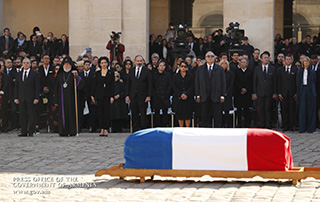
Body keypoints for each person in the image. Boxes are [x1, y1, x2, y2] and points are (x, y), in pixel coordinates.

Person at [54, 56, 84, 136]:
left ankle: (72, 131)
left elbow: (81, 86)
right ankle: (63, 131)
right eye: (65, 64)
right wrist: (56, 100)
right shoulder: (60, 75)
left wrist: (76, 77)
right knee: (62, 115)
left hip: (72, 99)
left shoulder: (74, 74)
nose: (66, 66)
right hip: (62, 99)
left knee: (72, 114)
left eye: (68, 64)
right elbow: (56, 88)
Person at [195, 51, 226, 127]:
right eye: (208, 56)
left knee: (217, 118)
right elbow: (197, 82)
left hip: (216, 96)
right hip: (204, 96)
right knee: (205, 118)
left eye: (212, 56)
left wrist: (222, 95)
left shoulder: (219, 69)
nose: (210, 58)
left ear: (215, 58)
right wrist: (197, 95)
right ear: (205, 58)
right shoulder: (200, 69)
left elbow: (223, 82)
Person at [125, 55, 152, 132]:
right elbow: (128, 84)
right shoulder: (131, 70)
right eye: (138, 61)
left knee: (143, 114)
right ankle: (135, 130)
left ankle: (143, 131)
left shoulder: (147, 71)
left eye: (140, 61)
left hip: (143, 96)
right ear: (135, 61)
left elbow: (150, 84)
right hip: (133, 96)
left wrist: (148, 95)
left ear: (143, 61)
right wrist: (127, 95)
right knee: (134, 114)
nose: (139, 62)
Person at [14, 58, 40, 136]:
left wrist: (36, 97)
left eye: (27, 63)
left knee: (31, 115)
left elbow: (37, 86)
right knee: (22, 115)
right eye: (24, 63)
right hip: (21, 97)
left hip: (31, 98)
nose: (26, 64)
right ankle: (23, 131)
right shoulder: (19, 74)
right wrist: (16, 97)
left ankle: (31, 131)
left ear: (30, 64)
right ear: (22, 64)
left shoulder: (34, 74)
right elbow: (16, 87)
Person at [91, 57, 115, 136]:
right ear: (100, 64)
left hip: (108, 95)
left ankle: (106, 129)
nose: (103, 64)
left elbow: (112, 85)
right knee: (100, 112)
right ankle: (101, 128)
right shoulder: (97, 73)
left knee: (107, 112)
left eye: (105, 62)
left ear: (107, 63)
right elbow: (94, 84)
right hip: (99, 95)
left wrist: (112, 96)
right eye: (102, 63)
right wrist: (93, 95)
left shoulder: (111, 73)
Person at [253, 51, 277, 129]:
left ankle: (268, 124)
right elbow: (255, 81)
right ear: (261, 59)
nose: (266, 59)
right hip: (260, 92)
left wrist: (274, 92)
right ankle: (262, 124)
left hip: (269, 92)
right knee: (261, 109)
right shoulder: (257, 69)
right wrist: (255, 92)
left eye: (267, 58)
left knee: (268, 109)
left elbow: (275, 81)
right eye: (265, 58)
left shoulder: (273, 69)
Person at [277, 54, 298, 131]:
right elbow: (278, 82)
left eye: (289, 59)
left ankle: (292, 126)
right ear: (284, 60)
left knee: (292, 110)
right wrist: (279, 93)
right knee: (284, 110)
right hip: (283, 94)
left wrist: (296, 92)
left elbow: (297, 82)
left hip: (292, 94)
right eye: (286, 59)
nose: (288, 61)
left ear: (292, 60)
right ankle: (285, 126)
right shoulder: (280, 70)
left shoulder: (295, 70)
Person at [297, 57, 317, 133]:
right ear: (303, 62)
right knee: (302, 109)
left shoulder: (312, 72)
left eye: (307, 61)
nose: (306, 63)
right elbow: (298, 83)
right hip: (302, 90)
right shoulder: (300, 72)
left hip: (310, 91)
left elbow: (314, 82)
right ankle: (302, 127)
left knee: (311, 109)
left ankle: (311, 128)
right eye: (305, 61)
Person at [172, 61, 194, 127]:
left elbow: (192, 86)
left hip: (188, 98)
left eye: (185, 66)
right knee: (180, 115)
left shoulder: (190, 76)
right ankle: (181, 129)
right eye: (182, 66)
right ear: (179, 67)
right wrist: (180, 94)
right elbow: (174, 86)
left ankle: (187, 129)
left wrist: (186, 94)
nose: (183, 68)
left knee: (188, 115)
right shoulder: (175, 76)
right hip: (179, 98)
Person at [234, 57, 253, 128]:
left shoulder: (250, 71)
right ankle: (239, 123)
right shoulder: (236, 71)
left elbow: (251, 81)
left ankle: (246, 123)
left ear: (247, 64)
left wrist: (246, 89)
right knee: (239, 109)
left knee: (246, 109)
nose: (242, 64)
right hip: (239, 93)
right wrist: (241, 88)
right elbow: (235, 81)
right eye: (241, 62)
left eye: (244, 62)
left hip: (247, 93)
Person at [152, 59, 171, 127]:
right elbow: (152, 85)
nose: (162, 67)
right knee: (156, 111)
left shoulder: (168, 75)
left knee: (165, 111)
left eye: (163, 66)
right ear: (158, 67)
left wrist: (167, 93)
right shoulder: (154, 75)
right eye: (160, 66)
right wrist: (154, 94)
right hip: (156, 96)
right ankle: (157, 125)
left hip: (165, 95)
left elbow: (170, 85)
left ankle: (164, 124)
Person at [219, 59, 234, 128]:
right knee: (220, 110)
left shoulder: (230, 73)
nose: (224, 65)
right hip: (219, 94)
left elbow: (231, 84)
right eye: (222, 64)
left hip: (228, 94)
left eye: (225, 64)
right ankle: (221, 124)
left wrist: (226, 92)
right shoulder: (217, 73)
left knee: (227, 110)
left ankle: (227, 124)